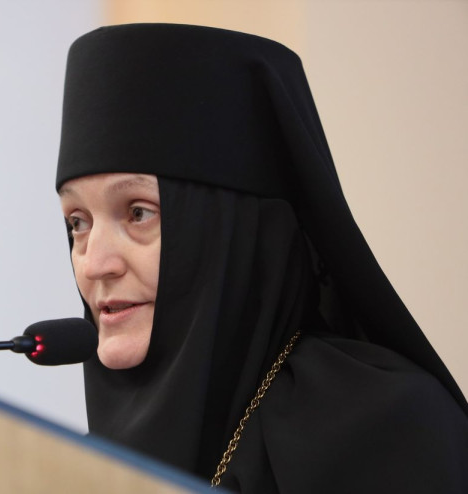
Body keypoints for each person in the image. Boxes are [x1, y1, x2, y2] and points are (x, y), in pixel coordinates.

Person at [55, 24, 468, 492]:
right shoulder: (80, 456)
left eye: (138, 213)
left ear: (239, 232)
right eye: (78, 222)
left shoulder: (389, 427)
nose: (94, 265)